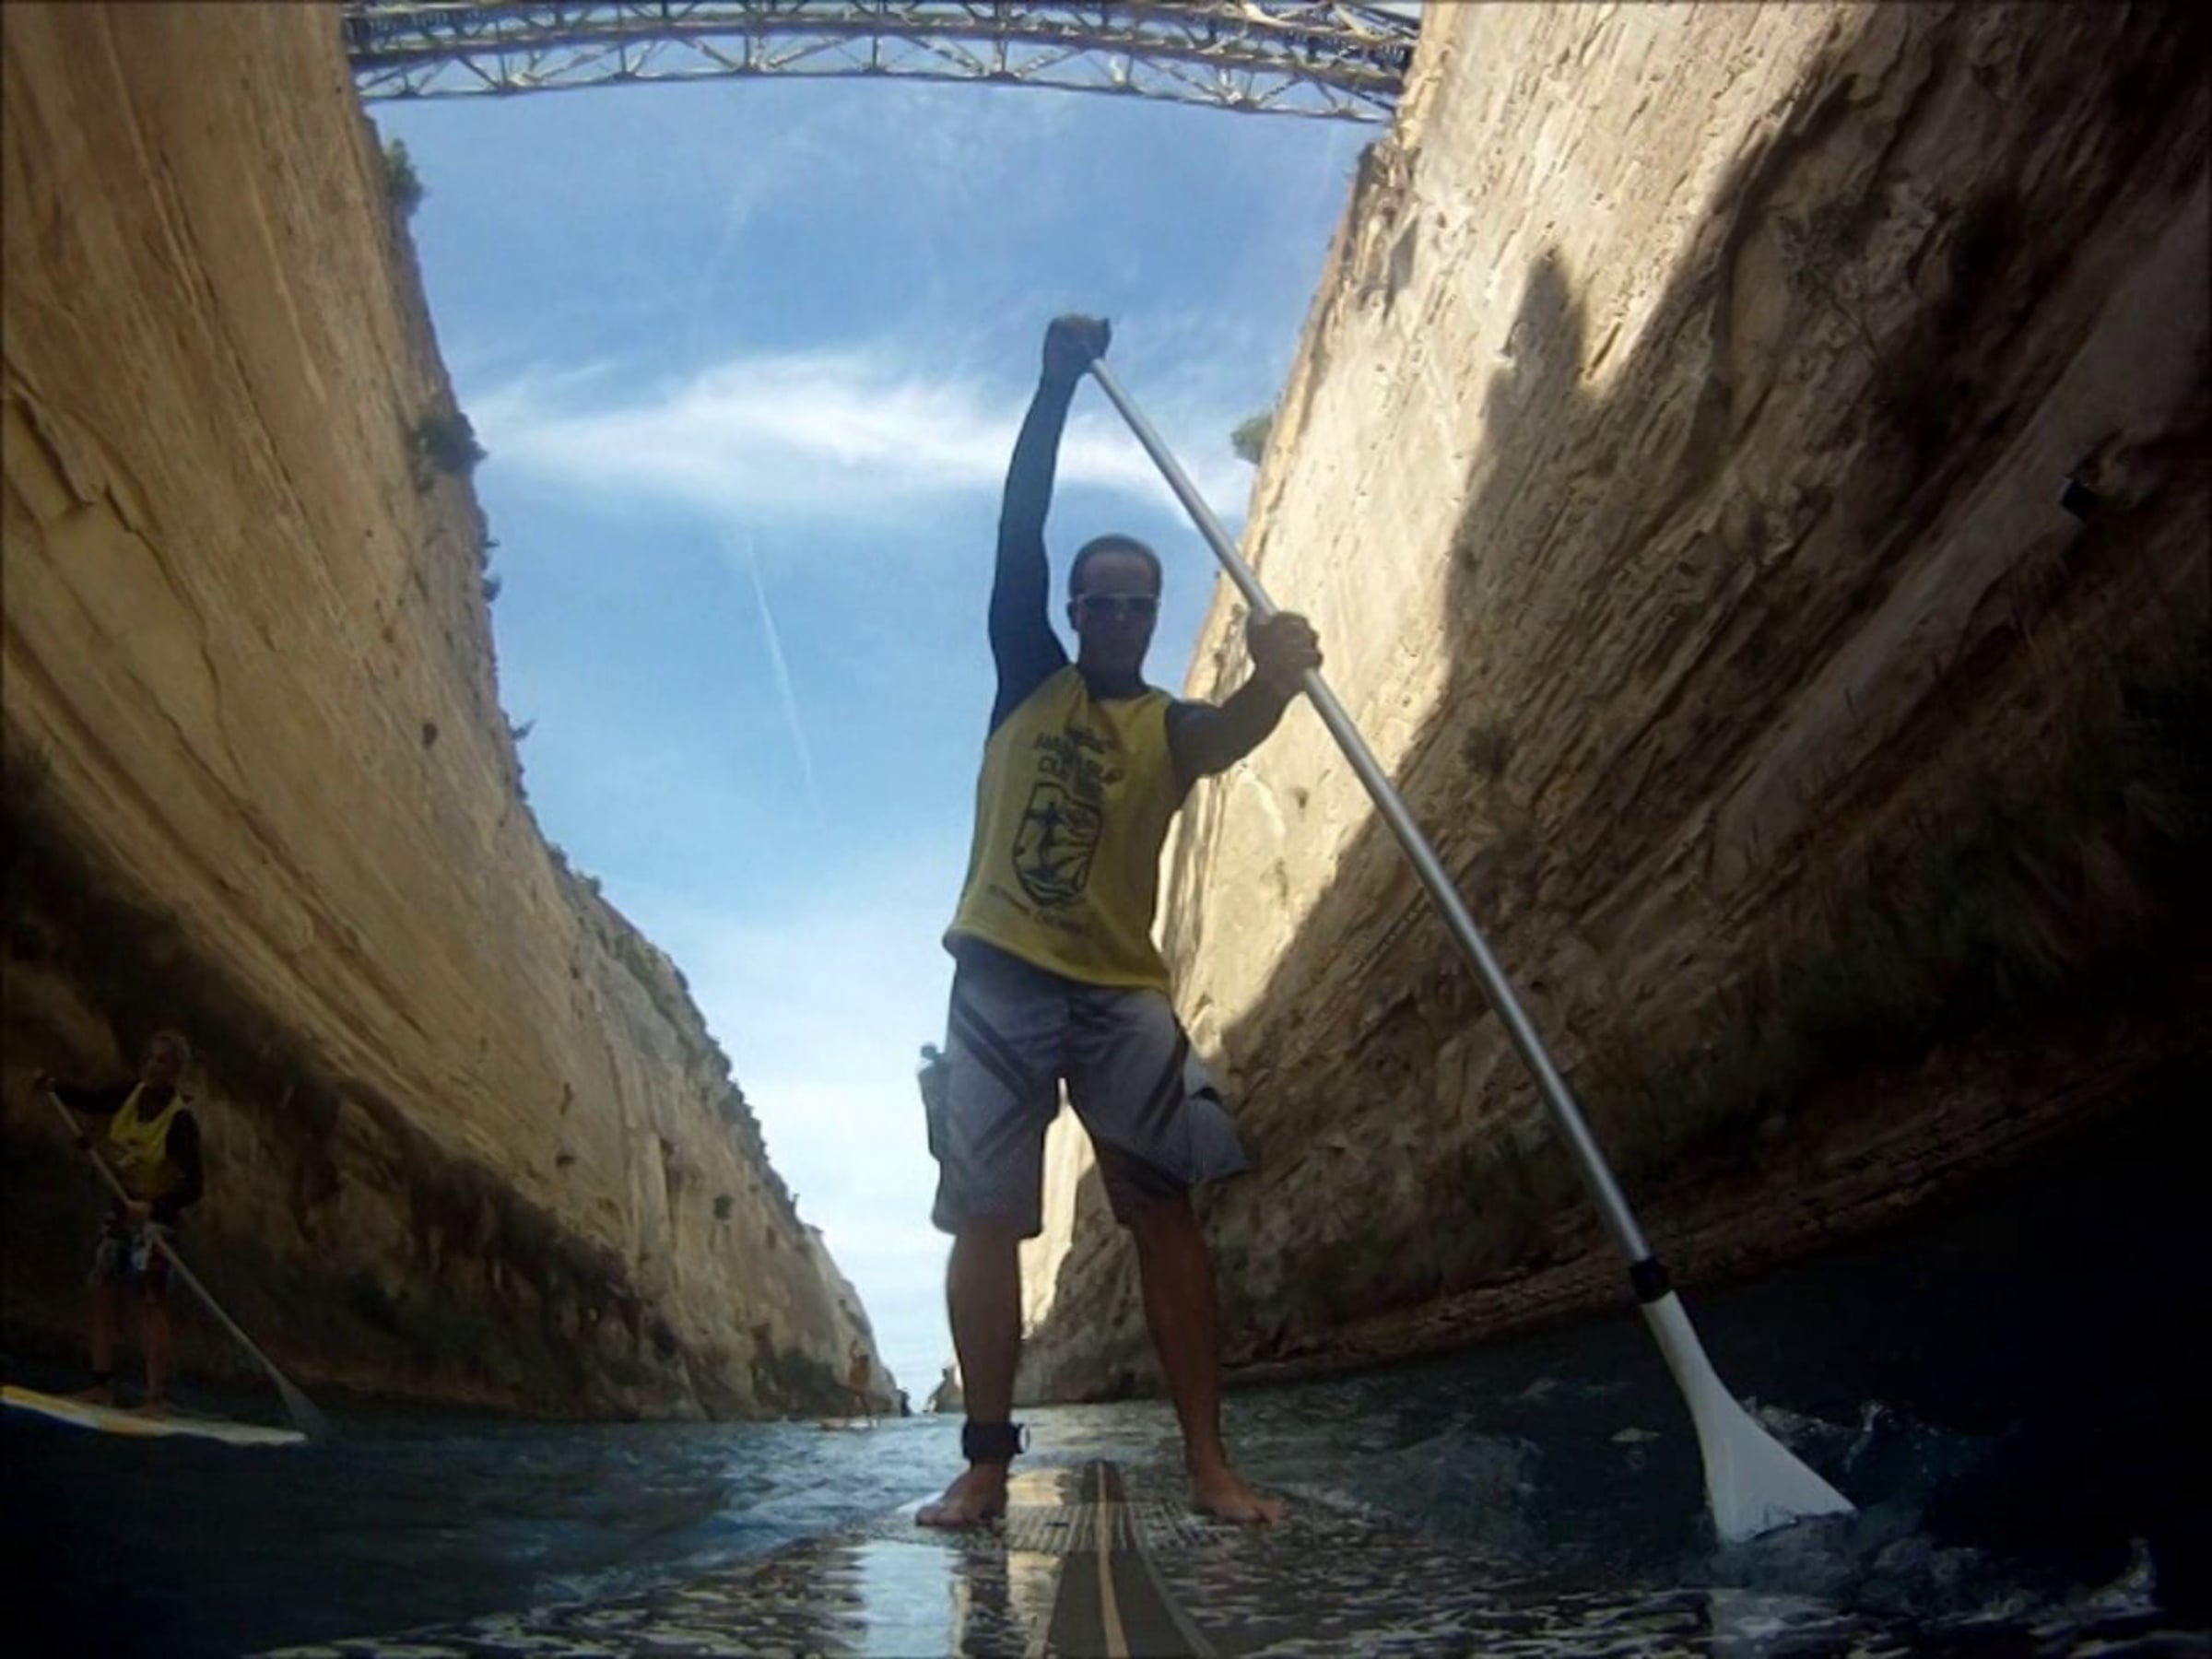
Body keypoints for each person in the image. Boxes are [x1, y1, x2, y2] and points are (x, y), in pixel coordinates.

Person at [919, 316, 1323, 1528]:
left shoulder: (1173, 730)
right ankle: (987, 1465)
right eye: (1093, 601)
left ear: (1151, 617)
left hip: (1118, 995)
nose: (1108, 616)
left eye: (1130, 604)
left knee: (1165, 1209)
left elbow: (1236, 731)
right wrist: (1052, 390)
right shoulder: (1025, 675)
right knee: (987, 1216)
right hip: (998, 979)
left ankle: (1209, 1464)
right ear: (1074, 610)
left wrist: (1277, 677)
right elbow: (1019, 531)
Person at [36, 1030, 205, 1415]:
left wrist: (155, 1207)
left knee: (152, 1301)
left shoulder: (180, 1122)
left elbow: (195, 1186)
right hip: (122, 1209)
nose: (153, 1066)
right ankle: (102, 1385)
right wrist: (54, 1086)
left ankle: (154, 1399)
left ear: (176, 1072)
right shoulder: (128, 1093)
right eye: (150, 1059)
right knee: (100, 1286)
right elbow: (92, 1100)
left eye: (163, 1062)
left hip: (157, 1222)